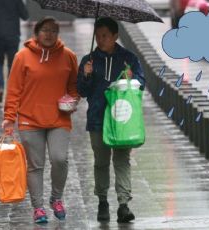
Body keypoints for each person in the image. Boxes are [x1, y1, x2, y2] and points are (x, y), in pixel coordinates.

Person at [2, 17, 78, 223]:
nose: (49, 34)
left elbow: (73, 86)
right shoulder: (22, 57)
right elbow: (14, 90)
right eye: (45, 30)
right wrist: (9, 117)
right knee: (35, 165)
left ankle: (56, 198)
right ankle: (38, 207)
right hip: (29, 120)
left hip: (59, 118)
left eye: (53, 30)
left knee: (60, 159)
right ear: (37, 33)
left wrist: (73, 99)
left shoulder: (68, 56)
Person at [77, 17, 145, 223]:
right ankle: (102, 202)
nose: (100, 39)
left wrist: (132, 79)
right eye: (97, 36)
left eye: (105, 36)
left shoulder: (129, 58)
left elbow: (141, 84)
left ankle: (123, 204)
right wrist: (86, 75)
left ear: (115, 36)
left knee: (122, 160)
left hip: (122, 119)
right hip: (97, 119)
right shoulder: (88, 60)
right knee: (101, 162)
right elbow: (81, 90)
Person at [0, 0, 29, 103]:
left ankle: (0, 87)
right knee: (12, 64)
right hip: (13, 35)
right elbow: (25, 15)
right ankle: (12, 91)